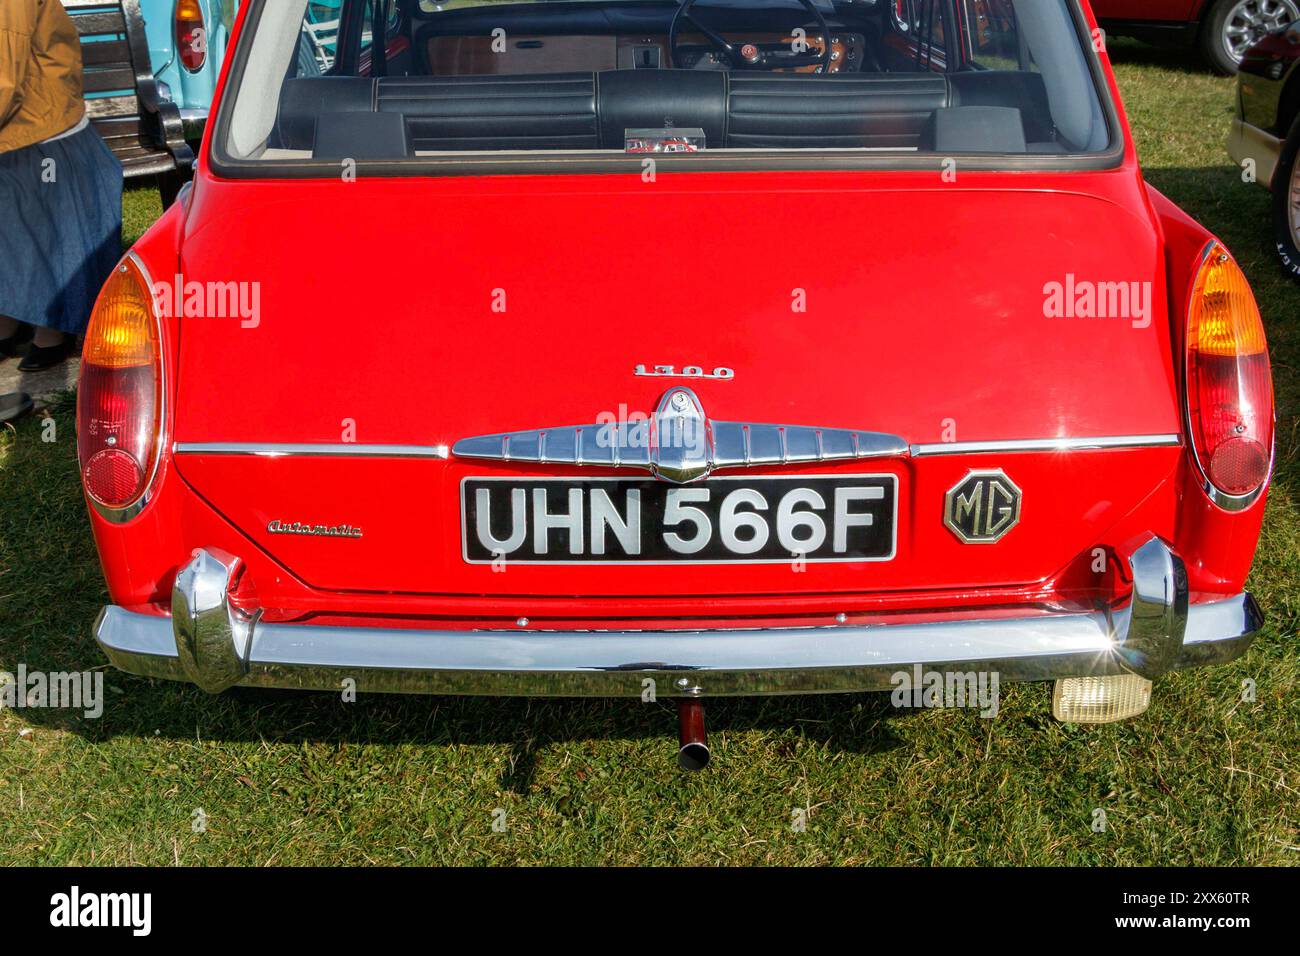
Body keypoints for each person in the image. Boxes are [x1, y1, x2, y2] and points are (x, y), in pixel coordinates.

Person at [0, 0, 123, 372]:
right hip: (18, 129)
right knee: (10, 234)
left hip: (39, 127)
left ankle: (51, 331)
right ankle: (8, 321)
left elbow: (6, 74)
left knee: (39, 234)